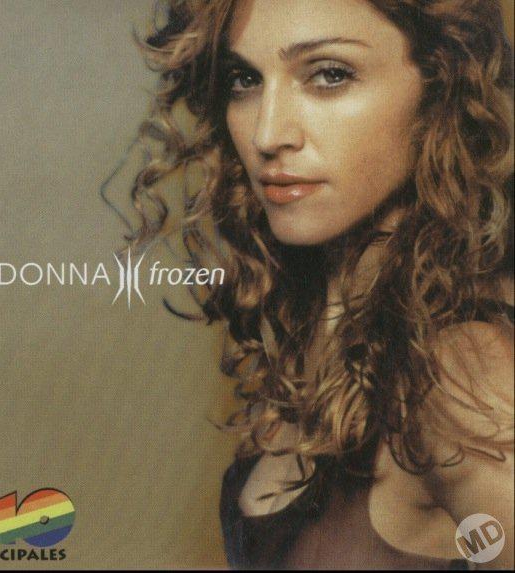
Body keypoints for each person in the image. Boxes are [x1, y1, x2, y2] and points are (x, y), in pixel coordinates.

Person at [117, 0, 514, 569]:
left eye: (329, 75)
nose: (268, 133)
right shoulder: (307, 340)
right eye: (244, 79)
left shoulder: (461, 373)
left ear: (440, 85)